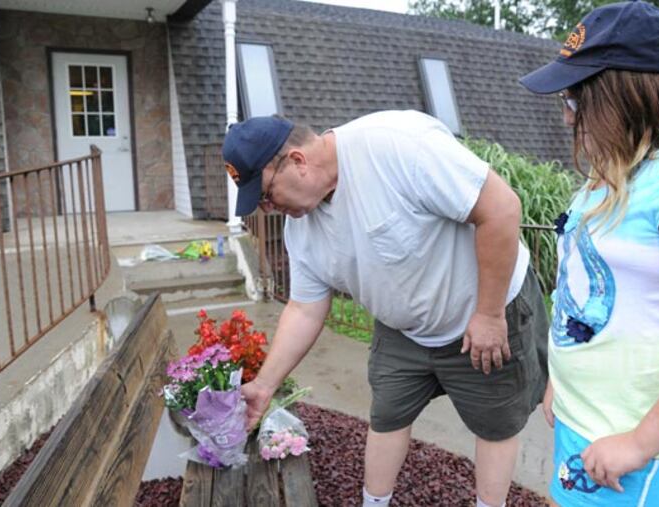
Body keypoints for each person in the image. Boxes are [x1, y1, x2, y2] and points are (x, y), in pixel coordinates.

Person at [222, 110, 549, 507]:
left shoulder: (397, 145)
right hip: (404, 328)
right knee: (388, 415)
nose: (268, 210)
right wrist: (264, 385)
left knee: (496, 424)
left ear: (297, 161)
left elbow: (501, 208)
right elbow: (305, 309)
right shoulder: (302, 228)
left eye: (268, 196)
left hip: (483, 307)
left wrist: (490, 314)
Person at [519, 1, 659, 505]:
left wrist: (641, 442)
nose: (568, 118)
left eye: (575, 99)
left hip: (643, 447)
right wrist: (562, 387)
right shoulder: (611, 175)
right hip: (592, 425)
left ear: (621, 96)